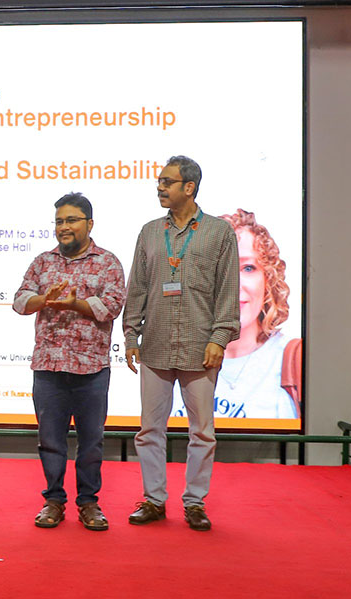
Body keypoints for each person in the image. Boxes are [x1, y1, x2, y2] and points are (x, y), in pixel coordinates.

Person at [122, 155, 239, 532]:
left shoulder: (219, 232)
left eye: (167, 181)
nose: (159, 187)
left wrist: (220, 338)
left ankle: (195, 502)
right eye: (159, 181)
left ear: (189, 187)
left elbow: (228, 291)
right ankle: (154, 500)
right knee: (149, 431)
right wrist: (130, 333)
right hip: (155, 344)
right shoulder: (149, 232)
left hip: (200, 347)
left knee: (202, 431)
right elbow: (137, 287)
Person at [12, 193, 125, 531]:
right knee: (50, 441)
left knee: (91, 442)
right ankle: (54, 501)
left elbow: (112, 306)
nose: (64, 227)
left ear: (89, 224)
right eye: (59, 221)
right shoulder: (42, 262)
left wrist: (77, 305)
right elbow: (20, 301)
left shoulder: (107, 262)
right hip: (48, 366)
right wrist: (42, 300)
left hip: (91, 369)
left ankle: (89, 503)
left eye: (72, 220)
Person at [215, 209, 301, 419]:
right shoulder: (172, 362)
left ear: (268, 279)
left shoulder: (293, 359)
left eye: (248, 268)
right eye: (218, 269)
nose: (233, 285)